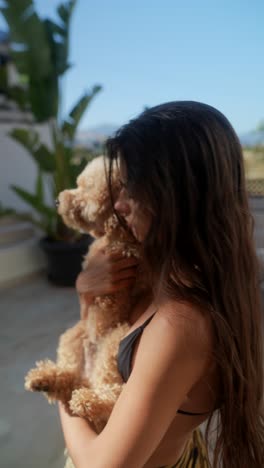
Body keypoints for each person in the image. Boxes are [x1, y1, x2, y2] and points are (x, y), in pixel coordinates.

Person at [59, 101, 264, 468]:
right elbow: (98, 336)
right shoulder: (199, 271)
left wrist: (64, 387)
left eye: (132, 187)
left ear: (177, 193)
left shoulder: (181, 323)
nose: (119, 205)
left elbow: (102, 465)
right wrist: (87, 290)